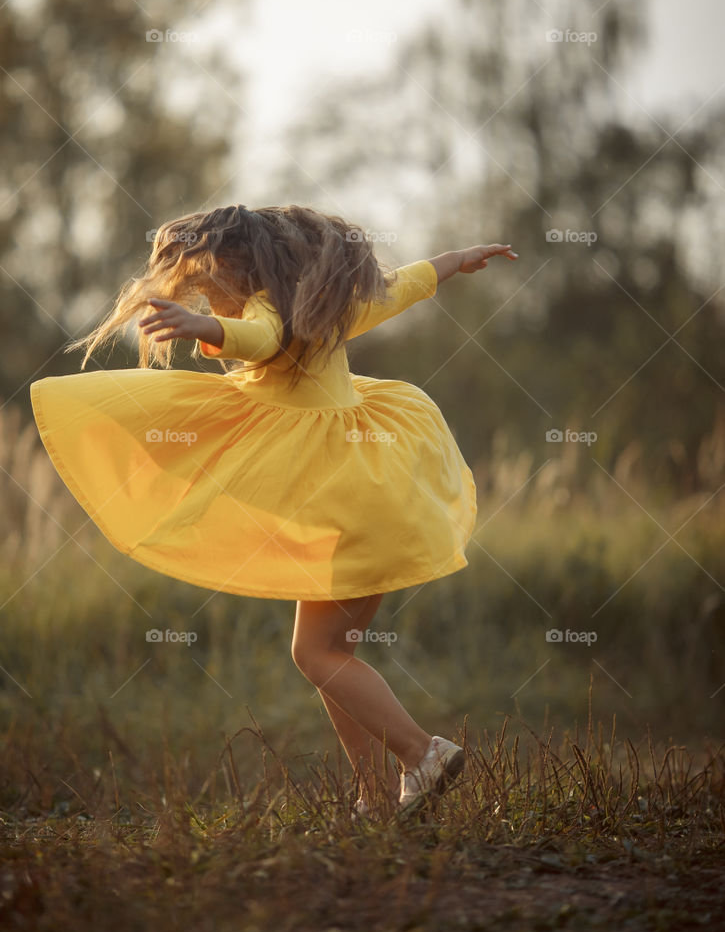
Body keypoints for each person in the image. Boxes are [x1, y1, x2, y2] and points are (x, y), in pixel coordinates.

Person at [29, 203, 517, 819]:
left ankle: (423, 754)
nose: (212, 301)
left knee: (314, 655)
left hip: (337, 490)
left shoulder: (269, 307)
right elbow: (407, 285)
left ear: (241, 270)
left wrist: (204, 329)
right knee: (334, 654)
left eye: (211, 287)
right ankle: (372, 797)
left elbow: (260, 336)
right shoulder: (334, 303)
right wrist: (457, 260)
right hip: (376, 488)